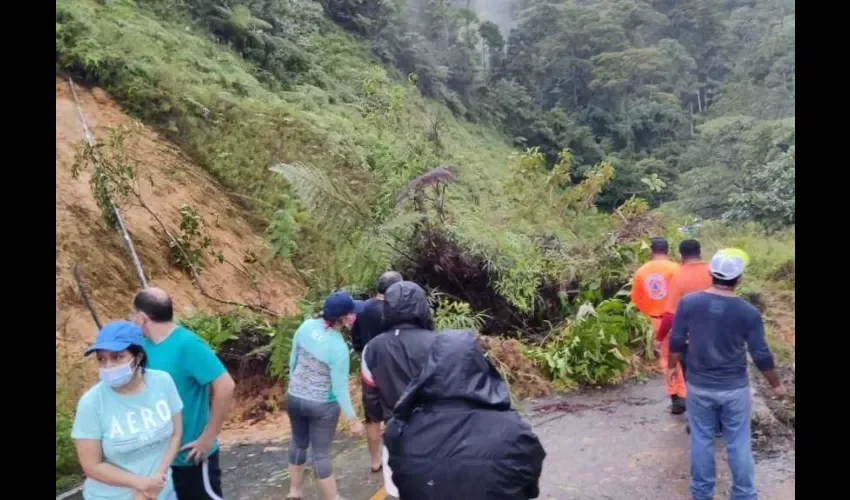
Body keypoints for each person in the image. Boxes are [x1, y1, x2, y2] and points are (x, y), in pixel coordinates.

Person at [668, 249, 787, 500]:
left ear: (711, 273)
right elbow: (761, 353)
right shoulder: (748, 312)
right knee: (738, 442)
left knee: (701, 439)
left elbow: (677, 340)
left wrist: (671, 367)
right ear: (739, 279)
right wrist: (776, 384)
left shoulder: (689, 303)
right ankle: (744, 495)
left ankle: (701, 495)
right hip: (734, 388)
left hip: (699, 386)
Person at [384, 329, 546, 500]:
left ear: (429, 368)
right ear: (481, 365)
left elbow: (402, 484)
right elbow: (530, 488)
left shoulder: (400, 431)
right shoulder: (515, 431)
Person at [133, 288, 236, 500]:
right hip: (160, 462)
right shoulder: (142, 346)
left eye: (133, 314)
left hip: (191, 457)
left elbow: (225, 385)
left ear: (142, 317)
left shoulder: (187, 344)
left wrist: (208, 437)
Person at [72, 320, 184, 500]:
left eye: (117, 357)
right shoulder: (91, 403)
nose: (108, 366)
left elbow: (175, 434)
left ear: (138, 356)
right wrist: (139, 484)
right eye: (101, 359)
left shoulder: (163, 382)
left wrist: (155, 481)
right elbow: (91, 465)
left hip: (163, 492)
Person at [285, 290, 366, 500]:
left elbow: (292, 360)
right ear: (342, 318)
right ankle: (333, 498)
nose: (353, 316)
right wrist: (353, 419)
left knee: (297, 442)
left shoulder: (305, 327)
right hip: (322, 405)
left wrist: (297, 386)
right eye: (350, 313)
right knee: (320, 453)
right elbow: (339, 388)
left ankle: (294, 490)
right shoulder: (338, 347)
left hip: (294, 397)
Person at [360, 280, 438, 496]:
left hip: (397, 442)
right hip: (440, 440)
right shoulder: (440, 344)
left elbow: (371, 404)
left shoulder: (371, 349)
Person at [350, 271, 405, 473]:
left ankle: (375, 461)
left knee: (372, 418)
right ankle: (396, 460)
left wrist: (362, 355)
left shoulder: (363, 309)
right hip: (392, 369)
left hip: (368, 367)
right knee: (395, 413)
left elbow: (355, 338)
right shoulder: (394, 310)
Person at [630, 236, 685, 414]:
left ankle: (675, 398)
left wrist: (651, 312)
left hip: (656, 320)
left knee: (666, 359)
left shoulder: (641, 271)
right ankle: (689, 395)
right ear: (668, 250)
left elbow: (636, 300)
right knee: (685, 357)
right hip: (680, 318)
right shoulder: (676, 268)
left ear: (651, 251)